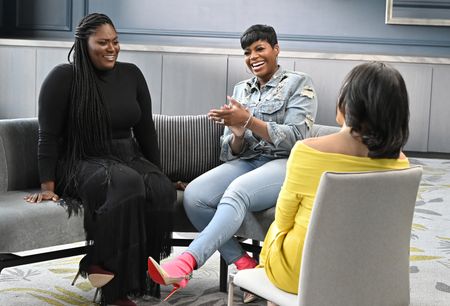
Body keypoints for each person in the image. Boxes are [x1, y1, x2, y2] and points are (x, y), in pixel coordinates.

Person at [147, 24, 318, 301]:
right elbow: (230, 151)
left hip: (285, 163)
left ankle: (187, 261)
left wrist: (249, 121)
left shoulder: (299, 83)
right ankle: (244, 264)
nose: (253, 56)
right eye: (247, 52)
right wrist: (238, 134)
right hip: (249, 160)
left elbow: (297, 137)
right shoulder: (241, 90)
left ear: (276, 49)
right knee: (195, 196)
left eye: (259, 48)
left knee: (236, 192)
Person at [24, 13, 176, 306]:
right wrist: (47, 185)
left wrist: (158, 171)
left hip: (126, 155)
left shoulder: (132, 74)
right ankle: (115, 290)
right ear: (84, 44)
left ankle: (114, 264)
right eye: (103, 43)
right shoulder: (63, 77)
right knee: (126, 183)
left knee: (160, 188)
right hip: (81, 158)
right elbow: (48, 136)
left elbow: (146, 130)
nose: (112, 48)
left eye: (116, 42)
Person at [258, 61, 410, 304]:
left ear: (347, 103)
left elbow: (283, 219)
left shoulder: (307, 151)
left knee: (275, 232)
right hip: (368, 270)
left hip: (302, 272)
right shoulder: (402, 163)